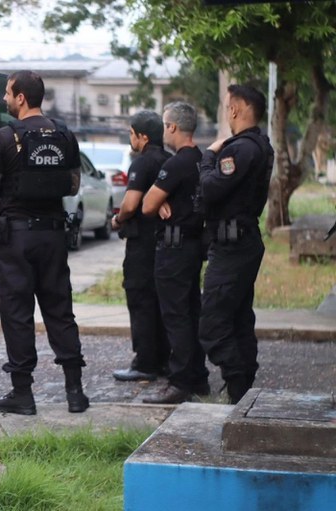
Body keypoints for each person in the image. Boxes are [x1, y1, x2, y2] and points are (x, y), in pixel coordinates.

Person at [0, 70, 89, 415]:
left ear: (21, 97)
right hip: (54, 235)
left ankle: (22, 394)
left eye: (7, 93)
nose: (4, 99)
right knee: (60, 309)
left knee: (17, 312)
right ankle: (75, 392)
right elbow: (72, 186)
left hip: (17, 239)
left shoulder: (3, 137)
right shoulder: (64, 134)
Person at [198, 84, 273, 404]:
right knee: (239, 316)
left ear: (235, 110)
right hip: (242, 240)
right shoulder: (261, 145)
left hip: (232, 246)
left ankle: (237, 383)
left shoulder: (238, 149)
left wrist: (208, 156)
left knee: (213, 322)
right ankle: (243, 390)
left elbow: (210, 189)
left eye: (228, 106)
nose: (226, 112)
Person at [140, 102, 209, 403]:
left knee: (176, 316)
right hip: (193, 245)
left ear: (172, 127)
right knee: (191, 312)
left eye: (165, 124)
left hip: (173, 248)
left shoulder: (176, 164)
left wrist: (157, 201)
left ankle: (179, 382)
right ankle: (197, 377)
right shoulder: (202, 160)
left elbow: (146, 205)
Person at [110, 111, 171, 382]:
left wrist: (117, 219)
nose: (130, 138)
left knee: (140, 301)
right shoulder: (170, 161)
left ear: (143, 137)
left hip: (141, 245)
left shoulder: (141, 163)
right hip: (165, 243)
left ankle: (145, 363)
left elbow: (131, 203)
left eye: (132, 133)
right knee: (160, 303)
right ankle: (162, 360)